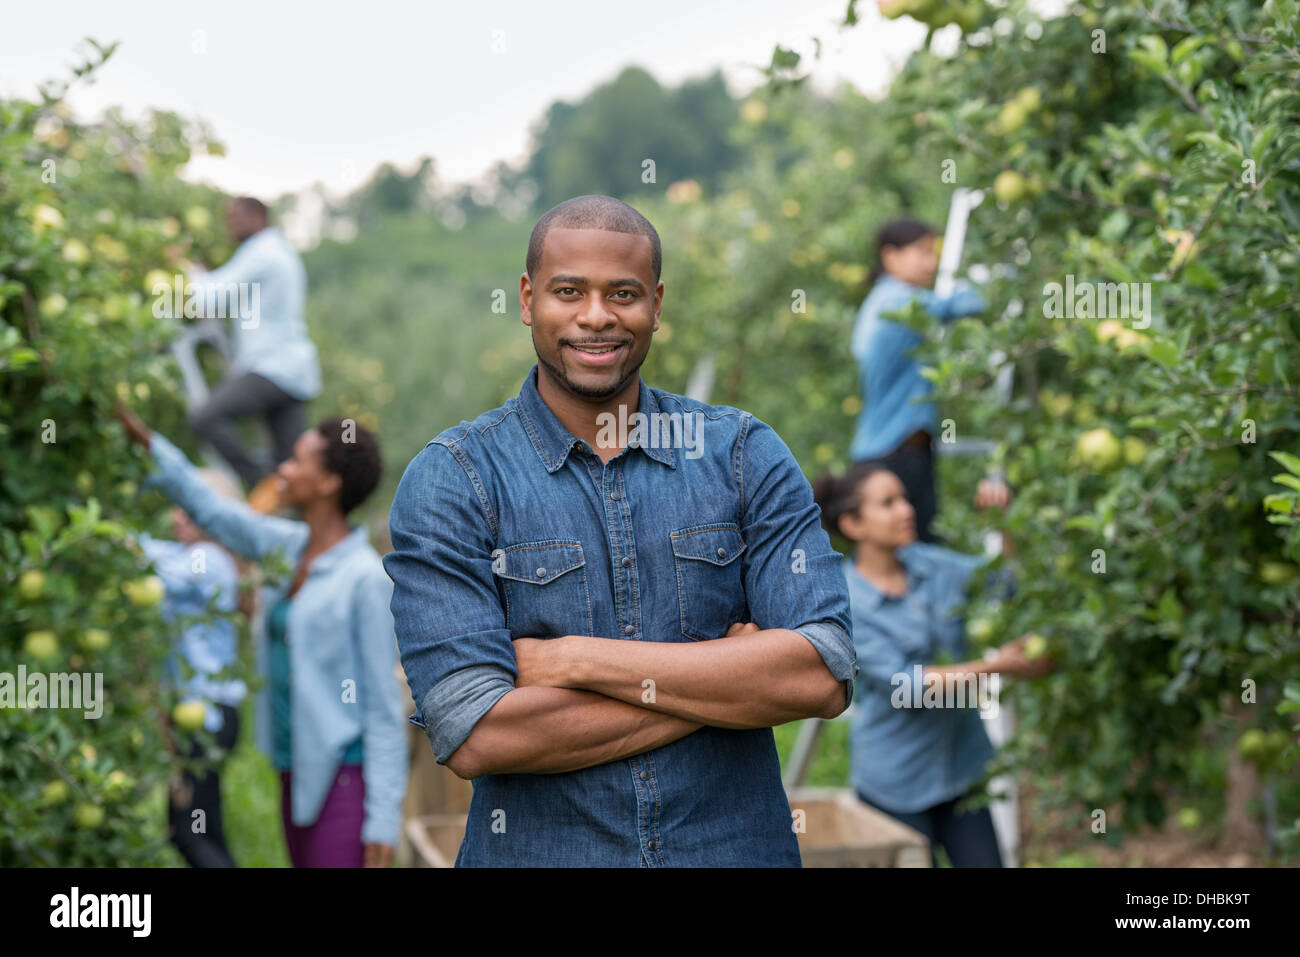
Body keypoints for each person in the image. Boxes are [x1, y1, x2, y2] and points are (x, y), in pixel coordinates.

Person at [384, 194, 857, 867]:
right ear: (526, 298)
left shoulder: (743, 454)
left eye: (624, 293)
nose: (597, 316)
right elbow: (477, 733)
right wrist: (730, 686)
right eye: (568, 291)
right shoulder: (455, 479)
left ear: (657, 306)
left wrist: (574, 661)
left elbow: (821, 674)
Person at [117, 402, 408, 867]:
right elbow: (211, 510)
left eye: (297, 461)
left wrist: (382, 819)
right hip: (293, 772)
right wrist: (147, 441)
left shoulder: (364, 579)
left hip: (344, 778)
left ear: (329, 483)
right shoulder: (286, 549)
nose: (283, 470)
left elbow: (382, 708)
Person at [812, 460, 1054, 867]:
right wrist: (1001, 666)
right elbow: (909, 687)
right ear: (853, 525)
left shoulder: (931, 564)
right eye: (888, 503)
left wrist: (1002, 525)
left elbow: (1006, 583)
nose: (906, 510)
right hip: (895, 784)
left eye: (904, 499)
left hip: (960, 768)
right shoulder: (847, 604)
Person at [849, 218, 987, 543]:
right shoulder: (898, 302)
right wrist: (984, 280)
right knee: (916, 557)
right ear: (890, 257)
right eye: (923, 252)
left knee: (908, 558)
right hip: (896, 456)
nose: (932, 262)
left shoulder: (878, 302)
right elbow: (968, 303)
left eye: (934, 252)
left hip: (883, 453)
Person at [134, 472, 246, 867]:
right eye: (178, 505)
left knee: (187, 831)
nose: (179, 516)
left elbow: (157, 567)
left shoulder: (211, 560)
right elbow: (156, 554)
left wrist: (111, 540)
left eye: (192, 509)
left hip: (206, 716)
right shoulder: (192, 555)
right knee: (204, 826)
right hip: (198, 716)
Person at [185, 197, 321, 507]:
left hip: (272, 369)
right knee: (294, 474)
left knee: (207, 417)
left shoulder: (262, 252)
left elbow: (209, 297)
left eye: (236, 217)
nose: (230, 225)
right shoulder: (279, 253)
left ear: (258, 215)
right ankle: (303, 535)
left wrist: (186, 268)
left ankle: (260, 481)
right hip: (293, 374)